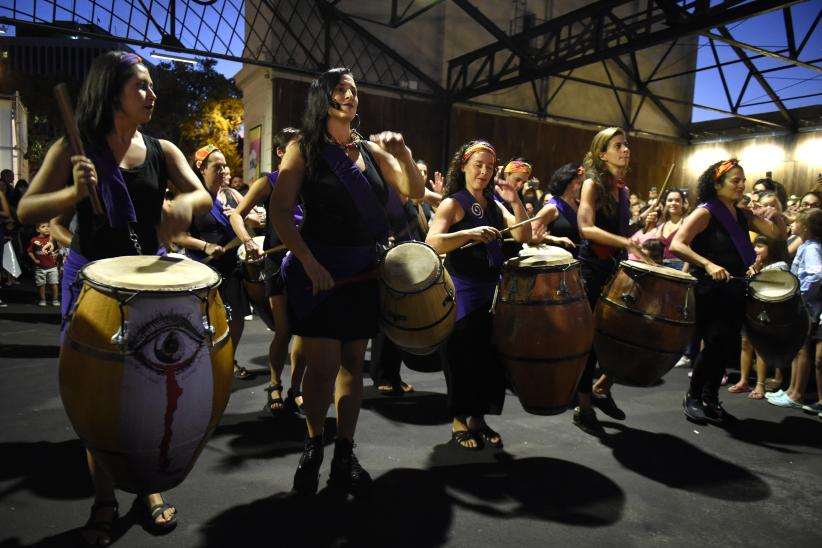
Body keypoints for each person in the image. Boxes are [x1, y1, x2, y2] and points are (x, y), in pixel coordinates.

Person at [17, 51, 212, 545]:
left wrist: (182, 206)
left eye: (151, 86)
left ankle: (147, 486)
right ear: (112, 92)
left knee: (151, 390)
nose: (152, 94)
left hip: (148, 280)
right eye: (141, 86)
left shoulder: (162, 148)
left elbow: (201, 196)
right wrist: (70, 195)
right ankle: (104, 497)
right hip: (92, 280)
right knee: (98, 394)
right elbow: (26, 209)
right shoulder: (75, 147)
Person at [269, 67, 425, 496]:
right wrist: (308, 261)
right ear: (324, 99)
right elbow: (281, 212)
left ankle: (344, 451)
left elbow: (413, 189)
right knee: (321, 369)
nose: (350, 95)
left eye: (354, 89)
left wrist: (406, 153)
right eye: (341, 89)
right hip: (319, 273)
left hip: (363, 272)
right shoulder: (303, 149)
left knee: (354, 366)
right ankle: (313, 444)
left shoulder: (373, 151)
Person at [426, 140, 531, 450]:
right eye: (478, 165)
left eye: (489, 167)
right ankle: (459, 419)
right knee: (462, 359)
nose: (484, 172)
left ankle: (478, 418)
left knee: (488, 362)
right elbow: (432, 242)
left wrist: (515, 200)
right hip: (463, 293)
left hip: (492, 293)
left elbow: (524, 234)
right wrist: (468, 233)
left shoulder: (493, 204)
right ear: (464, 167)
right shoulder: (453, 203)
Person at [670, 159, 786, 424]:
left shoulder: (742, 213)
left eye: (743, 180)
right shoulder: (705, 212)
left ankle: (711, 398)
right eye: (735, 180)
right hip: (709, 288)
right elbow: (677, 244)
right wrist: (708, 264)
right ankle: (694, 396)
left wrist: (774, 213)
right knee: (712, 344)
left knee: (726, 345)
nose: (742, 185)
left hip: (734, 286)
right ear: (717, 184)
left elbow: (778, 234)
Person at [574, 127, 651, 435]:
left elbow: (618, 233)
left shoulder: (623, 189)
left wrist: (637, 227)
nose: (625, 150)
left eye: (626, 145)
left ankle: (602, 388)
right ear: (602, 153)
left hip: (613, 267)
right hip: (592, 268)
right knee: (591, 339)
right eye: (618, 145)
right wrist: (627, 242)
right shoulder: (593, 183)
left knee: (620, 333)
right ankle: (584, 406)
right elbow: (586, 228)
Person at [229, 126, 307, 414]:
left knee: (305, 332)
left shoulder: (309, 184)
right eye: (296, 146)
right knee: (285, 329)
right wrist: (248, 240)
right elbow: (237, 215)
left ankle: (296, 387)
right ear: (280, 152)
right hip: (277, 262)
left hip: (305, 260)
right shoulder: (270, 182)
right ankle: (275, 383)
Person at [173, 144, 255, 380]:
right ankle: (203, 362)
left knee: (236, 318)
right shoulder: (191, 198)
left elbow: (250, 221)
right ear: (202, 169)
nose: (223, 170)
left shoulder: (231, 195)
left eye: (225, 165)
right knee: (205, 320)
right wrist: (205, 245)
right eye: (216, 167)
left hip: (232, 267)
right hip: (204, 269)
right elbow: (177, 235)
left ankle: (229, 359)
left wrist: (246, 219)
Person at [768, 208, 822, 411]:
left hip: (807, 305)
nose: (793, 224)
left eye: (797, 222)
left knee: (802, 348)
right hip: (805, 304)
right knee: (799, 347)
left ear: (806, 228)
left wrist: (800, 293)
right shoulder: (808, 245)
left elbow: (816, 274)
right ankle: (791, 389)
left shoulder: (811, 248)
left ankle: (797, 393)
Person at [728, 235, 789, 399]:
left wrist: (755, 272)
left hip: (768, 310)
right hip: (751, 307)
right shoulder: (756, 264)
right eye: (755, 246)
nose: (756, 250)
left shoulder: (780, 265)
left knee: (760, 346)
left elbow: (771, 287)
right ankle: (743, 380)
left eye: (760, 246)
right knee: (745, 343)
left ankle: (760, 384)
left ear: (772, 247)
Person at [532, 162, 584, 253]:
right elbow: (530, 233)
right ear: (567, 182)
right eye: (580, 183)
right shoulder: (551, 208)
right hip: (559, 260)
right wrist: (554, 239)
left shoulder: (580, 204)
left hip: (579, 259)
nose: (583, 186)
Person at [27, 222, 60, 306]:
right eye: (43, 227)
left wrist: (57, 255)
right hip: (40, 267)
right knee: (41, 284)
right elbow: (30, 251)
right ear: (37, 229)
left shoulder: (52, 239)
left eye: (48, 226)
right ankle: (42, 299)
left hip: (52, 266)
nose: (46, 228)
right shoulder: (34, 240)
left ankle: (55, 299)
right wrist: (34, 260)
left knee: (54, 283)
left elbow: (59, 249)